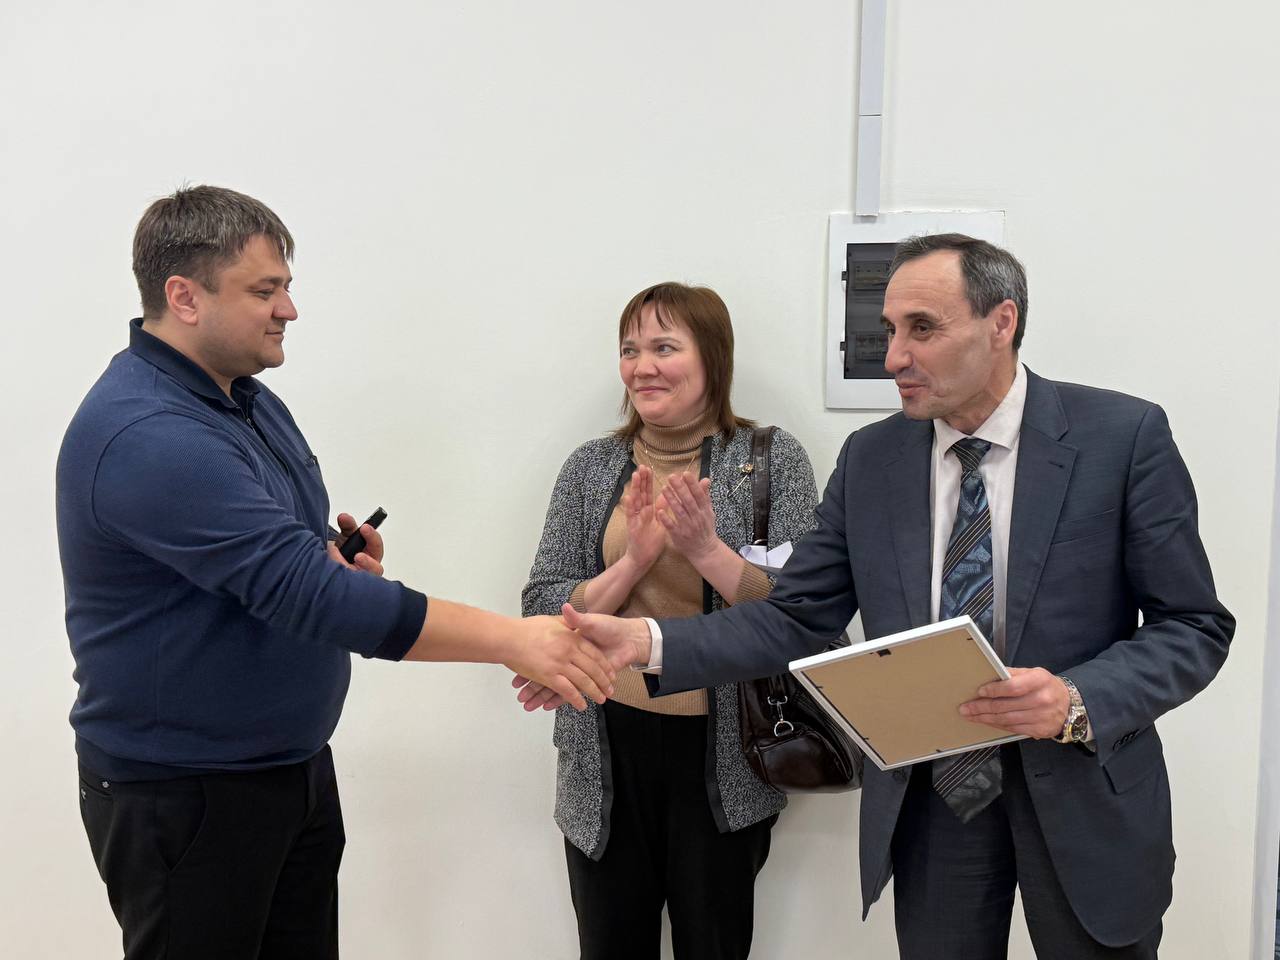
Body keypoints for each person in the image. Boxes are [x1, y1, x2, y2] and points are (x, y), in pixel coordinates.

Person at [526, 235, 1235, 958]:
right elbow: (795, 617)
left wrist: (1076, 699)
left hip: (1085, 788)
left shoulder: (1123, 437)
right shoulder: (872, 458)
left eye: (922, 328)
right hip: (937, 798)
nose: (894, 356)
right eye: (890, 330)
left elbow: (1193, 625)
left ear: (1002, 322)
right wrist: (646, 642)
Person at [56, 185, 615, 960]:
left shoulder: (246, 401)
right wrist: (515, 640)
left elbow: (284, 550)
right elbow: (306, 593)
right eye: (265, 291)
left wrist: (333, 557)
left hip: (288, 769)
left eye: (286, 286)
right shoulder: (149, 434)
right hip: (186, 793)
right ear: (184, 297)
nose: (288, 310)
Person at [520, 282, 820, 959]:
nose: (642, 367)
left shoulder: (772, 461)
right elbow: (542, 606)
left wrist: (707, 552)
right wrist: (634, 563)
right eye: (630, 350)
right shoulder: (591, 468)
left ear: (712, 357)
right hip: (604, 748)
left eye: (664, 347)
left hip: (727, 753)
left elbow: (805, 613)